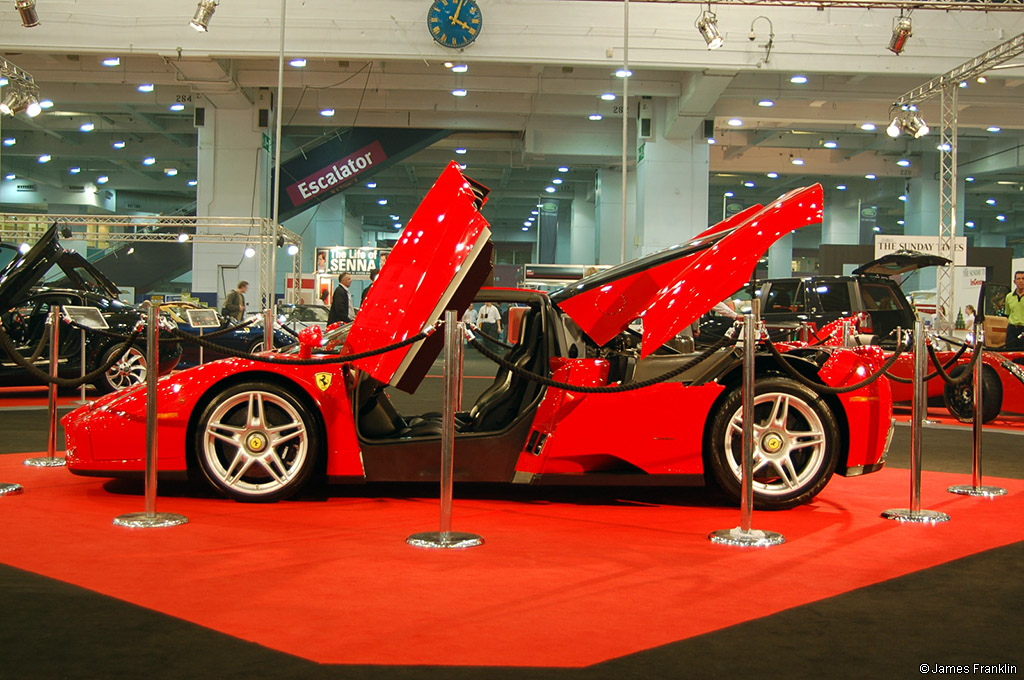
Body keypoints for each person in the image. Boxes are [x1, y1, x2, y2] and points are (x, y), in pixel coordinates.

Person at [1004, 270, 1024, 349]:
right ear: (1014, 282)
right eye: (1018, 279)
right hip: (1012, 329)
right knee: (1009, 351)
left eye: (1023, 278)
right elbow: (1008, 313)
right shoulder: (1009, 297)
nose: (1021, 281)